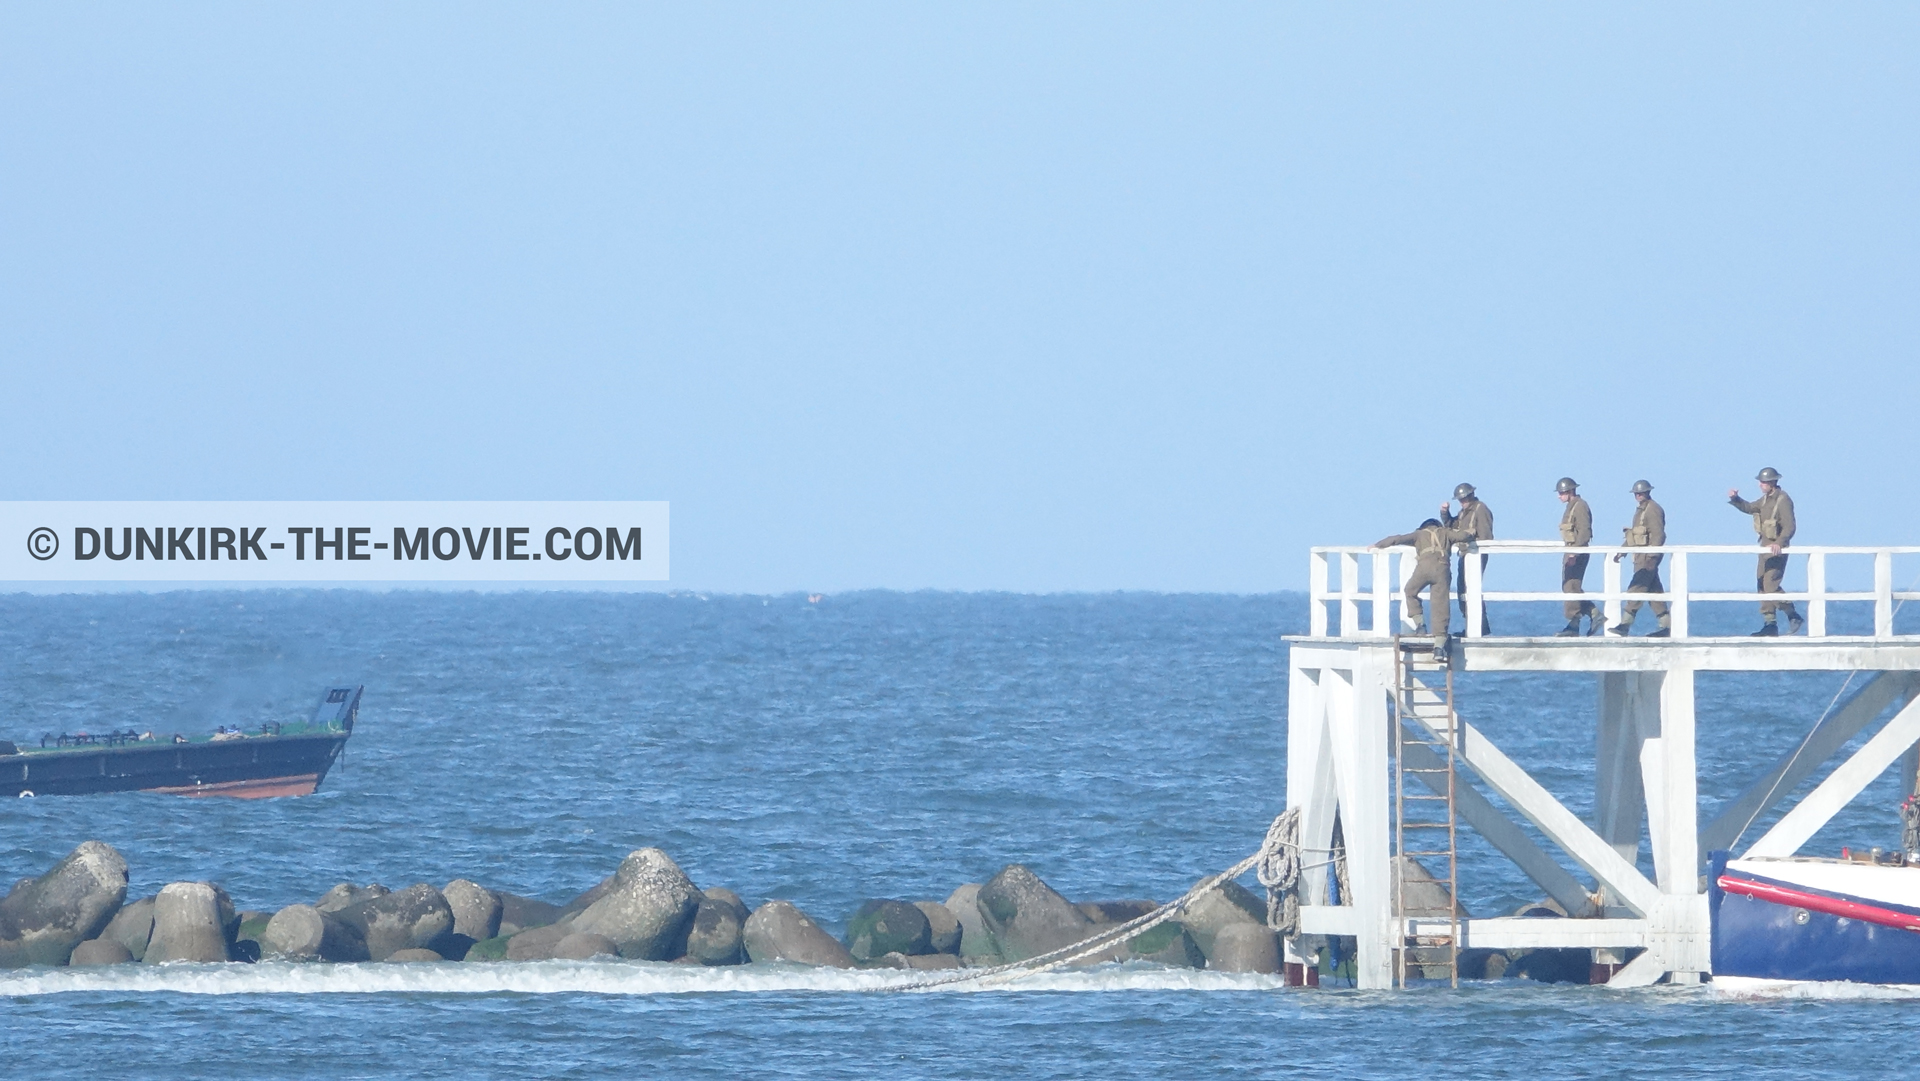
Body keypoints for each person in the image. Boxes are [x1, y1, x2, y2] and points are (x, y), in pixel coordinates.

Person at [1373, 518, 1475, 662]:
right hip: (1442, 569)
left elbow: (1397, 539)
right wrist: (1472, 531)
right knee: (1440, 606)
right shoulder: (1446, 533)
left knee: (1410, 591)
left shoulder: (1418, 535)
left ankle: (1420, 624)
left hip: (1423, 569)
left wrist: (1378, 545)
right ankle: (1439, 647)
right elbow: (1463, 536)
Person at [1729, 467, 1803, 636]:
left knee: (1771, 584)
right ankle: (1770, 624)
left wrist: (1780, 543)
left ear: (1772, 483)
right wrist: (1736, 499)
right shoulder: (1765, 500)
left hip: (1776, 550)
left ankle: (1792, 614)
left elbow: (1790, 526)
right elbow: (1749, 508)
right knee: (1762, 584)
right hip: (1764, 548)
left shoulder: (1783, 500)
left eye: (1763, 482)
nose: (1760, 485)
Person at [1609, 480, 1670, 637]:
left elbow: (1658, 534)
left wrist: (1652, 556)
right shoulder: (1640, 511)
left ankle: (1625, 624)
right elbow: (1634, 536)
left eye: (1641, 493)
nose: (1638, 496)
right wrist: (1622, 551)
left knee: (1636, 588)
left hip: (1647, 558)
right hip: (1640, 557)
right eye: (1636, 493)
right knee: (1654, 591)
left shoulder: (1653, 510)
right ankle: (1666, 626)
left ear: (1648, 492)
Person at [1441, 482, 1494, 635]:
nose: (1462, 502)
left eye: (1463, 499)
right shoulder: (1464, 512)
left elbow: (1486, 536)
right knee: (1463, 590)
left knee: (1471, 590)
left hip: (1475, 556)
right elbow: (1452, 527)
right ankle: (1473, 625)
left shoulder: (1480, 509)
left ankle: (1480, 628)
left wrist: (1478, 550)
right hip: (1465, 555)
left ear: (1470, 496)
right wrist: (1445, 513)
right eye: (1460, 500)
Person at [1555, 477, 1604, 637]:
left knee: (1571, 587)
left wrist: (1575, 552)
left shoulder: (1580, 506)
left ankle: (1575, 624)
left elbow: (1585, 532)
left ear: (1569, 492)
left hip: (1577, 553)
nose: (1559, 496)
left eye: (1561, 493)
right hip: (1571, 552)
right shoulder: (1571, 506)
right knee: (1570, 586)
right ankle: (1594, 614)